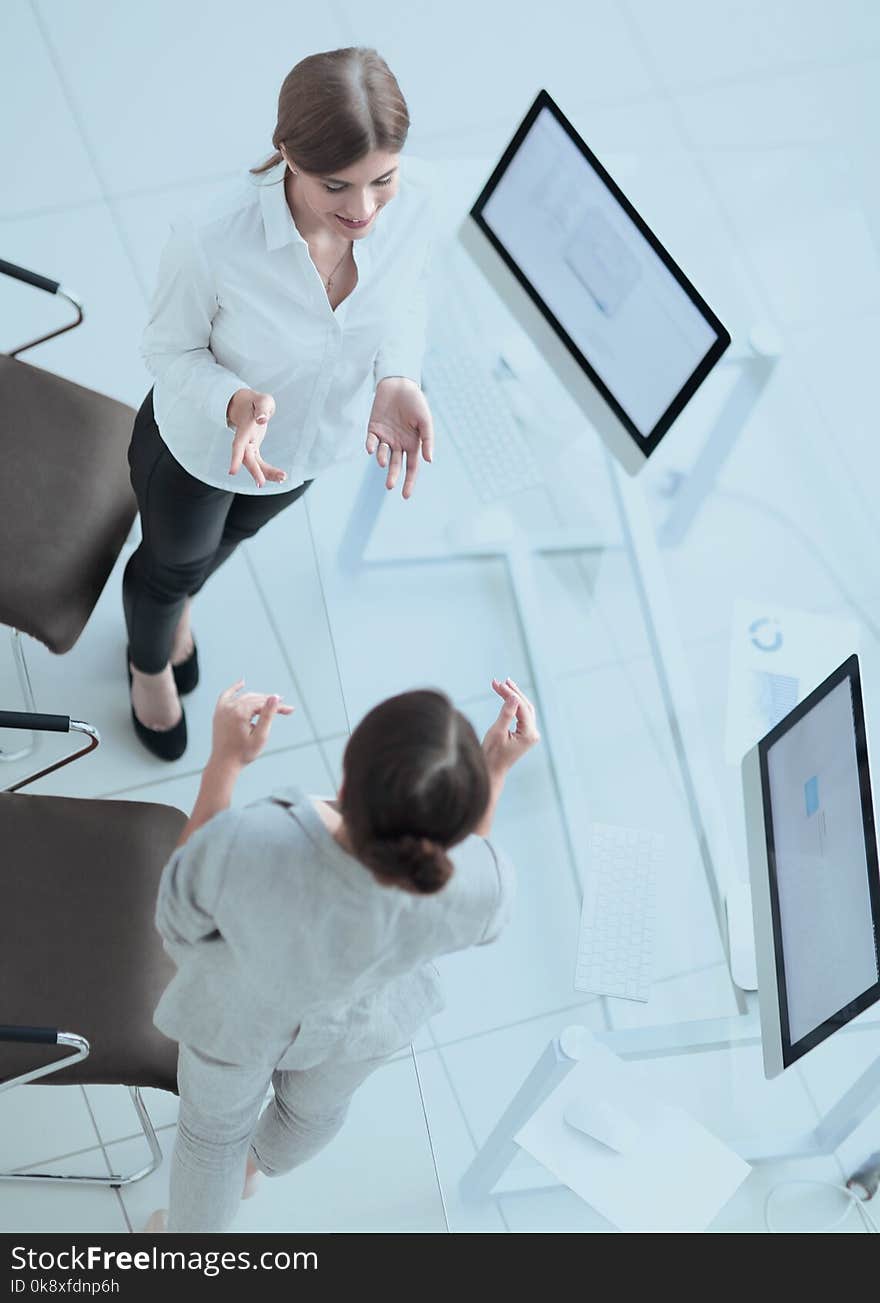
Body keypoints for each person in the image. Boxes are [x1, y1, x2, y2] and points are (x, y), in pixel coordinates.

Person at [124, 47, 435, 760]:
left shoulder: (413, 206)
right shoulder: (213, 236)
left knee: (224, 546)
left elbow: (408, 297)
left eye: (381, 180)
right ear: (287, 153)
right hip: (198, 452)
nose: (362, 209)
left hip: (306, 451)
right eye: (337, 186)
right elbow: (167, 352)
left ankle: (178, 614)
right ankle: (147, 664)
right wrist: (233, 402)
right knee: (169, 566)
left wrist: (398, 376)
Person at [144, 675, 539, 1233]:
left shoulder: (260, 839)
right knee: (313, 1112)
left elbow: (177, 921)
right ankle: (252, 1168)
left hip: (239, 1021)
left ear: (350, 775)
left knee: (212, 1141)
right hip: (363, 1025)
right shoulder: (486, 881)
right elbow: (470, 871)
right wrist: (493, 772)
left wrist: (225, 764)